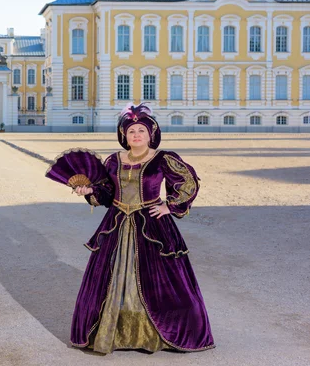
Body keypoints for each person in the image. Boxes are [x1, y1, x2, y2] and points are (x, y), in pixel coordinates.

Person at [71, 103, 215, 354]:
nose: (136, 135)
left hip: (152, 225)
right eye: (131, 131)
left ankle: (159, 333)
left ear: (151, 134)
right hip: (116, 223)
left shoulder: (163, 158)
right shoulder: (113, 161)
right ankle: (114, 331)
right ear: (124, 136)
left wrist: (169, 205)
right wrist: (90, 190)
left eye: (141, 130)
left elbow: (187, 182)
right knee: (109, 279)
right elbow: (106, 194)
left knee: (162, 282)